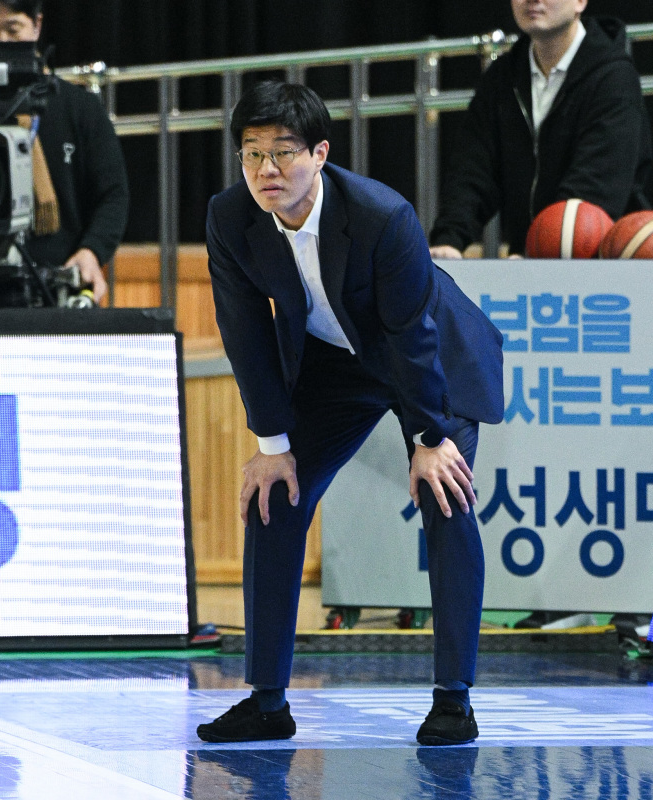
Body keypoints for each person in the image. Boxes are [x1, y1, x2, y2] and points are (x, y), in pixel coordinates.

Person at [197, 81, 505, 746]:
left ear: (320, 154)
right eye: (252, 153)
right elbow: (244, 331)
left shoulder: (380, 215)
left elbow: (413, 332)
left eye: (284, 152)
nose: (267, 169)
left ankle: (453, 700)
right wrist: (272, 443)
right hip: (336, 363)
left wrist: (428, 437)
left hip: (429, 358)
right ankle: (267, 702)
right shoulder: (230, 217)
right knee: (274, 496)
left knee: (445, 496)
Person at [429, 0, 651, 259]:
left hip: (600, 261)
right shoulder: (503, 76)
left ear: (580, 2)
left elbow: (595, 186)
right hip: (531, 259)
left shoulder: (613, 77)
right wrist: (450, 238)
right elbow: (473, 169)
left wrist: (538, 253)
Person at [0, 0, 129, 303]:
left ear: (37, 26)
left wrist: (91, 251)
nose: (2, 42)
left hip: (59, 281)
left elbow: (112, 194)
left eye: (13, 30)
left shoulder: (78, 107)